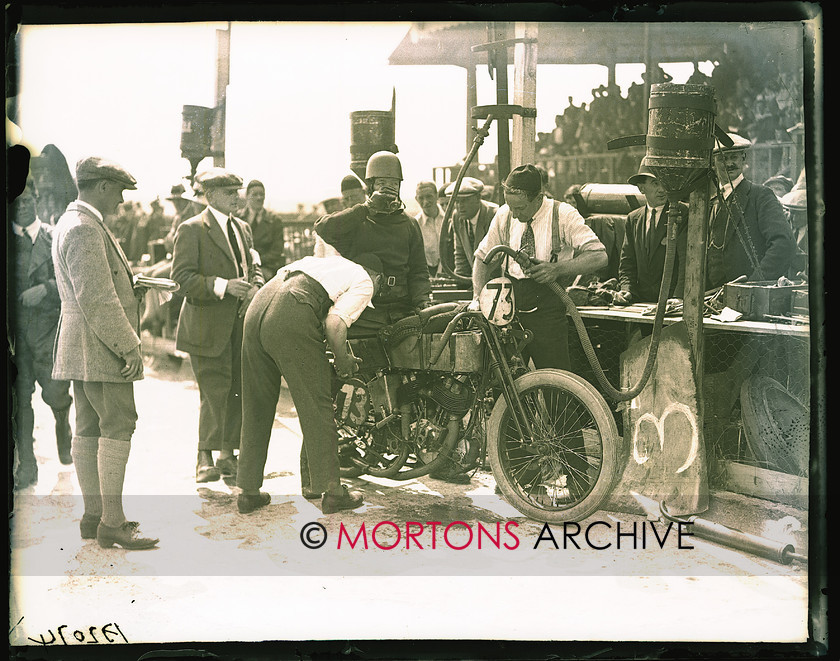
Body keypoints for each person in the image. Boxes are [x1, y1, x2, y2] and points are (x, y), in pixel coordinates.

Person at [51, 156, 158, 550]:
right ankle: (112, 522)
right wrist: (128, 345)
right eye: (118, 191)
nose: (122, 200)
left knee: (89, 425)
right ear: (99, 186)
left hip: (83, 343)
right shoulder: (84, 228)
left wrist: (133, 288)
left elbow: (96, 287)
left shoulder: (74, 222)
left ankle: (93, 515)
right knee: (118, 423)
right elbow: (95, 297)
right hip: (101, 345)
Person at [236, 253, 383, 514]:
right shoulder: (365, 281)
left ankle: (248, 491)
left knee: (256, 404)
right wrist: (344, 361)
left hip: (259, 306)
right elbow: (335, 324)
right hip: (290, 311)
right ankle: (333, 492)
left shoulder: (324, 261)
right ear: (378, 278)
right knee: (317, 404)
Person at [171, 168, 264, 484]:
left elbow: (253, 267)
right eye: (229, 193)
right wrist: (224, 286)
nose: (237, 198)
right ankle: (204, 457)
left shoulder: (243, 229)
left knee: (238, 388)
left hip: (239, 323)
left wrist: (256, 287)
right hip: (206, 325)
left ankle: (227, 454)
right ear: (209, 196)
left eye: (238, 192)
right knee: (214, 390)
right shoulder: (192, 229)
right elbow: (181, 279)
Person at [472, 164, 608, 370]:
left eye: (520, 208)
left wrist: (557, 269)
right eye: (511, 207)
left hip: (548, 307)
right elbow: (483, 258)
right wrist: (477, 299)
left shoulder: (563, 214)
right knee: (505, 379)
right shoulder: (504, 215)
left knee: (555, 378)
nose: (515, 214)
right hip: (510, 306)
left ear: (538, 198)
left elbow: (599, 256)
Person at [314, 151, 432, 336]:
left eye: (393, 183)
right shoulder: (358, 221)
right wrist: (366, 208)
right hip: (364, 312)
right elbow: (323, 228)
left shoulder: (409, 224)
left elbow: (418, 271)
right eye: (382, 184)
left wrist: (422, 300)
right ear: (370, 187)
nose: (388, 189)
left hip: (401, 310)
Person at [9, 173, 73, 489]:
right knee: (20, 403)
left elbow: (72, 283)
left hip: (49, 332)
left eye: (25, 200)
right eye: (14, 202)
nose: (20, 207)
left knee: (56, 393)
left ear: (36, 197)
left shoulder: (54, 238)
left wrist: (46, 289)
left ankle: (63, 421)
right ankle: (27, 467)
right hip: (15, 339)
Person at [706, 133, 796, 289]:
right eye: (722, 158)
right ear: (713, 164)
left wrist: (753, 286)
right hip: (712, 299)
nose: (729, 163)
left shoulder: (760, 196)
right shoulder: (711, 203)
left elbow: (783, 245)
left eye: (734, 157)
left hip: (748, 298)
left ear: (743, 158)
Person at [615, 164, 687, 304]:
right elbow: (627, 261)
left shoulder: (682, 213)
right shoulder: (633, 218)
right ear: (641, 188)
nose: (662, 189)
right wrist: (627, 290)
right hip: (642, 302)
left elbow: (686, 260)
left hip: (672, 301)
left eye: (665, 183)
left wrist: (679, 296)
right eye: (655, 183)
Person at [445, 176, 498, 278]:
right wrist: (460, 281)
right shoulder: (457, 216)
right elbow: (461, 255)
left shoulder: (494, 215)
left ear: (478, 198)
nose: (460, 206)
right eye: (457, 201)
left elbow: (497, 260)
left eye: (464, 200)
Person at [241, 179, 286, 280]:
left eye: (262, 194)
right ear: (247, 196)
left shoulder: (274, 220)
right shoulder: (238, 218)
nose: (259, 198)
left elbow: (277, 251)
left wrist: (255, 262)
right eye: (255, 194)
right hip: (242, 267)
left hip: (266, 267)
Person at [414, 180, 446, 276]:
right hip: (425, 273)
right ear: (416, 199)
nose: (425, 202)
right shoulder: (415, 224)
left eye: (429, 196)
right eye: (421, 198)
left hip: (449, 271)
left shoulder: (449, 219)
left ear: (436, 196)